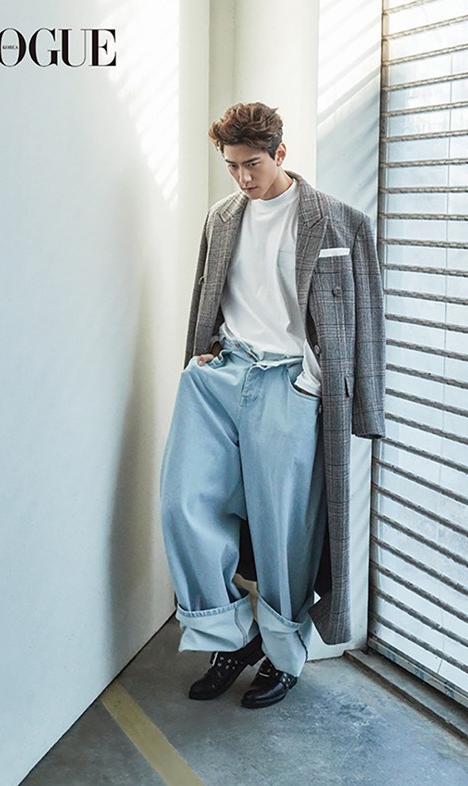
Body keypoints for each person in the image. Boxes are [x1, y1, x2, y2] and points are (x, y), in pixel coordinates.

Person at [160, 102, 385, 709]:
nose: (242, 178)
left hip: (290, 384)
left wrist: (358, 405)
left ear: (280, 153)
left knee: (285, 531)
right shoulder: (221, 217)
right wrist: (199, 355)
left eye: (252, 164)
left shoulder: (340, 222)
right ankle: (232, 636)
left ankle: (284, 656)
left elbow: (367, 318)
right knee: (182, 504)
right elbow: (207, 293)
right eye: (232, 166)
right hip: (221, 375)